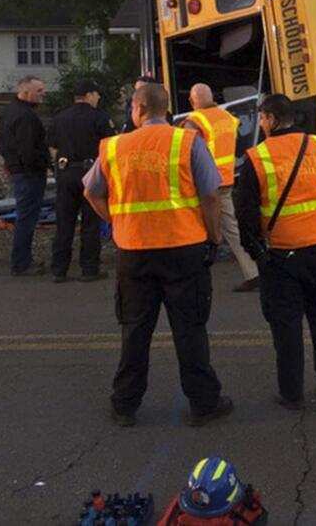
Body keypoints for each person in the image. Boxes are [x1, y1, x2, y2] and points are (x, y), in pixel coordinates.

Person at [83, 82, 233, 428]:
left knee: (135, 330)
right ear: (167, 109)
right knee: (190, 328)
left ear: (137, 109)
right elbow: (211, 194)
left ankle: (125, 404)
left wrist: (118, 220)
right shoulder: (187, 142)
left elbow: (91, 192)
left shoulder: (114, 147)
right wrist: (213, 235)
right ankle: (204, 403)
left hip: (134, 251)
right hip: (183, 249)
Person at [236, 94, 316, 409]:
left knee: (286, 325)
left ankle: (292, 392)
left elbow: (245, 212)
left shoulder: (258, 158)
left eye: (261, 118)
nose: (260, 123)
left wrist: (255, 251)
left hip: (280, 255)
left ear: (271, 119)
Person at [184, 83, 255, 292]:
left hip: (204, 183)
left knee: (193, 226)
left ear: (191, 101)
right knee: (230, 227)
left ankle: (253, 272)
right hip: (226, 178)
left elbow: (188, 153)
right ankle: (254, 270)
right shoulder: (227, 117)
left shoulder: (195, 122)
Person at [47, 79, 115, 282]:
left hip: (66, 173)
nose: (99, 98)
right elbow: (110, 146)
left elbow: (51, 146)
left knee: (64, 222)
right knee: (90, 222)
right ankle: (89, 269)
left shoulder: (60, 118)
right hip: (91, 173)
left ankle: (59, 270)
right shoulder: (100, 118)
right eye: (96, 94)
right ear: (89, 95)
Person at [0, 76, 50, 276]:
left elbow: (3, 144)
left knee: (24, 216)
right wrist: (40, 166)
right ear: (25, 91)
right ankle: (21, 263)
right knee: (27, 218)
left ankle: (23, 260)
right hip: (29, 173)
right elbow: (28, 148)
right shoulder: (26, 117)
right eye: (39, 90)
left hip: (17, 170)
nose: (43, 93)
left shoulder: (9, 111)